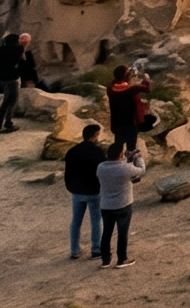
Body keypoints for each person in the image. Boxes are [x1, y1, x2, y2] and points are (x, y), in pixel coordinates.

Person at [94, 137, 145, 268]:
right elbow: (141, 170)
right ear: (121, 154)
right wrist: (137, 157)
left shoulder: (101, 167)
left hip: (106, 205)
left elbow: (117, 170)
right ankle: (122, 259)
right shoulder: (125, 168)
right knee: (122, 233)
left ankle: (105, 260)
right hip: (123, 205)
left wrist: (126, 160)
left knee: (106, 232)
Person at [63, 123, 107, 259]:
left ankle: (75, 250)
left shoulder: (72, 151)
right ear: (95, 135)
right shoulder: (98, 152)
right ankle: (96, 249)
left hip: (76, 191)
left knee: (76, 221)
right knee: (95, 220)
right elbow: (102, 171)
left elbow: (68, 172)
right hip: (93, 191)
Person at [0, 31, 38, 133]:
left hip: (3, 79)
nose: (20, 41)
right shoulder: (16, 50)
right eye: (19, 39)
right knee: (11, 102)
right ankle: (7, 123)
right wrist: (22, 48)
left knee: (7, 101)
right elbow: (21, 62)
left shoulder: (1, 49)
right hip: (12, 79)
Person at [106, 65, 152, 155]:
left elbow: (121, 86)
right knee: (131, 147)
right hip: (131, 122)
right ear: (125, 76)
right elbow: (147, 89)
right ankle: (129, 165)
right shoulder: (131, 89)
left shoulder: (110, 87)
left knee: (118, 145)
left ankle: (115, 162)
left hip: (118, 121)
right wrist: (146, 79)